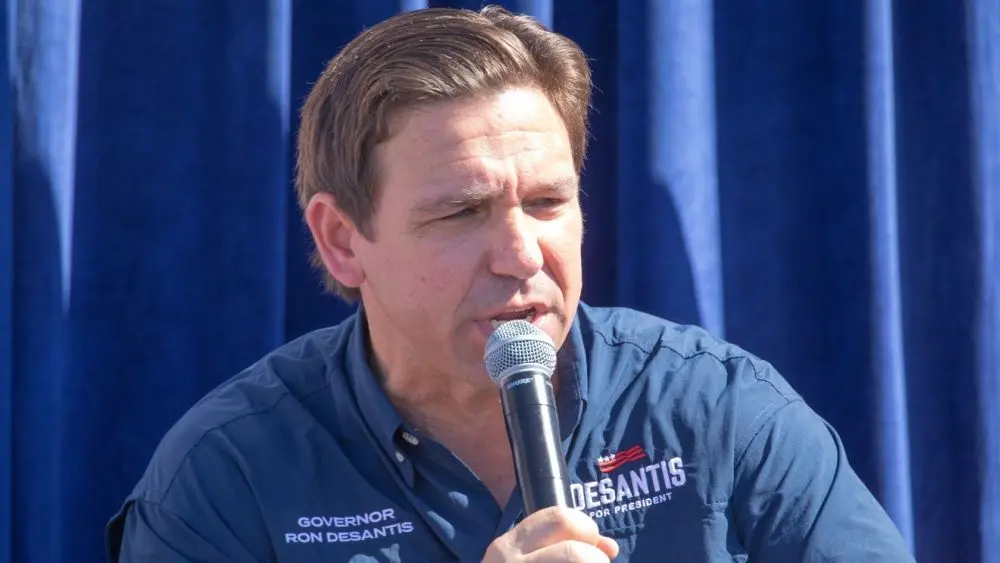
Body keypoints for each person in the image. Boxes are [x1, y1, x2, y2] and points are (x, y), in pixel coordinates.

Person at [105, 5, 914, 562]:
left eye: (548, 202)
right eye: (462, 212)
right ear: (342, 241)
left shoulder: (715, 410)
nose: (522, 254)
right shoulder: (229, 473)